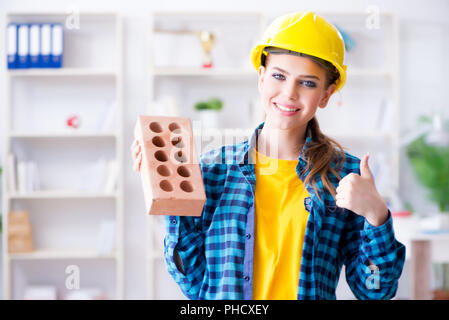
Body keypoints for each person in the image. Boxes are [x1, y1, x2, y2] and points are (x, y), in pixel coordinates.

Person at [131, 11, 406, 300]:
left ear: (326, 94)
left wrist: (377, 215)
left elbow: (376, 291)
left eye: (308, 83)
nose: (289, 93)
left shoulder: (343, 179)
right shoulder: (213, 171)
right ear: (261, 78)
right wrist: (170, 195)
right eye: (279, 76)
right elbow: (195, 283)